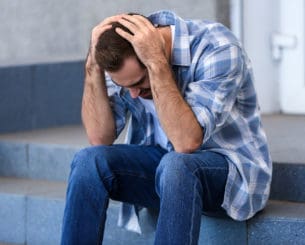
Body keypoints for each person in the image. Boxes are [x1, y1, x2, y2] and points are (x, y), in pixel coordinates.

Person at [61, 10, 272, 245]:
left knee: (177, 165)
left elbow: (186, 143)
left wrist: (156, 63)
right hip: (164, 168)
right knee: (88, 161)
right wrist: (92, 68)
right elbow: (99, 138)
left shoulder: (217, 46)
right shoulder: (125, 62)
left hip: (227, 174)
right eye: (125, 86)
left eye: (139, 83)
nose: (132, 94)